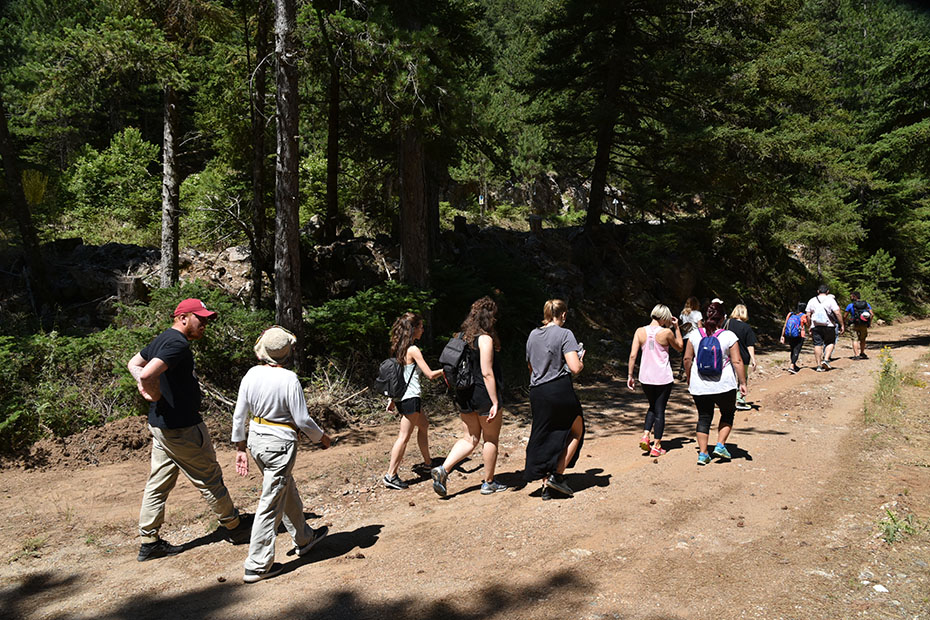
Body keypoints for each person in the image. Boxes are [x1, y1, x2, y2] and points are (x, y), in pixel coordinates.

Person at [127, 298, 249, 562]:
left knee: (158, 483)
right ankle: (234, 526)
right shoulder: (177, 343)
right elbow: (146, 374)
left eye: (206, 320)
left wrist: (146, 389)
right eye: (200, 319)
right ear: (183, 318)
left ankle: (149, 542)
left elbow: (133, 364)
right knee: (209, 477)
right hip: (181, 427)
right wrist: (151, 392)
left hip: (162, 426)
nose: (204, 324)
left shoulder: (163, 338)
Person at [232, 326, 332, 583]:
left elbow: (239, 415)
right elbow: (302, 419)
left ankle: (304, 538)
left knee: (283, 488)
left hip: (256, 440)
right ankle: (257, 565)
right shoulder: (289, 379)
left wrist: (240, 447)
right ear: (287, 353)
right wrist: (321, 438)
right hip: (279, 444)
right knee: (271, 502)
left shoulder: (251, 374)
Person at [431, 297, 507, 497]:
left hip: (464, 394)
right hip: (483, 395)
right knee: (490, 439)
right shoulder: (484, 339)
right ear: (489, 317)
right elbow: (487, 373)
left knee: (470, 438)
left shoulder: (460, 337)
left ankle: (443, 469)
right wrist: (495, 401)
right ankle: (488, 483)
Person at [525, 299, 586, 499]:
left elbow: (530, 367)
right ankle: (556, 476)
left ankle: (546, 484)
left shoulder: (533, 335)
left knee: (546, 435)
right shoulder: (565, 334)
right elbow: (574, 368)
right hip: (559, 389)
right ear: (564, 315)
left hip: (537, 391)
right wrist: (581, 361)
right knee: (576, 430)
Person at [383, 312, 443, 490]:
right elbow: (430, 374)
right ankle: (391, 475)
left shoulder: (399, 348)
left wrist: (392, 399)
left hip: (402, 397)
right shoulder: (413, 350)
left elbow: (398, 377)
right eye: (421, 327)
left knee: (424, 425)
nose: (422, 330)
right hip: (411, 398)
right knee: (403, 437)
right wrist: (446, 370)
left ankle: (428, 463)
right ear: (413, 329)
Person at [682, 302, 747, 465]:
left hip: (699, 385)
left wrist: (689, 377)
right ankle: (720, 444)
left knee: (704, 417)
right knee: (727, 413)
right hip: (724, 385)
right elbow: (737, 361)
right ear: (723, 318)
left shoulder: (694, 335)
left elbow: (687, 359)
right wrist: (743, 382)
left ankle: (703, 454)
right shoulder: (729, 336)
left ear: (704, 318)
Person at [627, 304, 683, 457]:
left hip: (645, 377)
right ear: (665, 317)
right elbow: (680, 347)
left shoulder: (640, 331)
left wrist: (630, 375)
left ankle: (646, 435)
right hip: (662, 377)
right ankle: (657, 445)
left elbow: (633, 355)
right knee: (660, 410)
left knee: (652, 406)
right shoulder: (666, 333)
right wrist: (677, 327)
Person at [724, 304, 758, 411]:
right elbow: (750, 345)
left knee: (728, 377)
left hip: (727, 355)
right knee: (742, 379)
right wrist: (753, 359)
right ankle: (740, 400)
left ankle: (725, 400)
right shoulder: (746, 327)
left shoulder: (726, 323)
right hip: (743, 357)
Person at [805, 284, 844, 371]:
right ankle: (826, 359)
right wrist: (842, 324)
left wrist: (809, 325)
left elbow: (808, 315)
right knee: (830, 342)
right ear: (827, 292)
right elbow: (837, 313)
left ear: (818, 291)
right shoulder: (831, 300)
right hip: (829, 325)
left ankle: (818, 365)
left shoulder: (812, 300)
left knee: (817, 344)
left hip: (816, 325)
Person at [677, 296, 703, 379]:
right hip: (695, 336)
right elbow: (700, 326)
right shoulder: (698, 313)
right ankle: (691, 372)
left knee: (685, 355)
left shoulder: (683, 313)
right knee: (694, 355)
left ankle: (682, 370)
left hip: (686, 336)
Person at [779, 302, 809, 374]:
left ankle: (794, 364)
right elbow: (808, 325)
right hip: (799, 335)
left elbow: (785, 325)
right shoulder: (804, 316)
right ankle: (792, 366)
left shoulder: (790, 314)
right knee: (796, 350)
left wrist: (782, 336)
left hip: (790, 335)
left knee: (792, 349)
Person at [845, 292, 875, 359]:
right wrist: (869, 323)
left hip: (854, 324)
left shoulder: (850, 305)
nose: (850, 297)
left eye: (851, 296)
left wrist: (844, 322)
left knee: (854, 339)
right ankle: (862, 353)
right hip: (863, 323)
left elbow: (845, 316)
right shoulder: (866, 304)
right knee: (863, 339)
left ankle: (856, 355)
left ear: (854, 297)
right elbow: (872, 314)